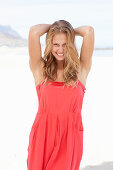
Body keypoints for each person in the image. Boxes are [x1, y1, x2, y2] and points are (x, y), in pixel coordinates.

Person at [27, 20, 94, 170]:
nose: (61, 49)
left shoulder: (81, 70)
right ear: (50, 45)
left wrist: (68, 31)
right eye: (56, 44)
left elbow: (88, 31)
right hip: (43, 135)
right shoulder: (40, 69)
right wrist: (56, 29)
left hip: (69, 137)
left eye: (65, 44)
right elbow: (34, 31)